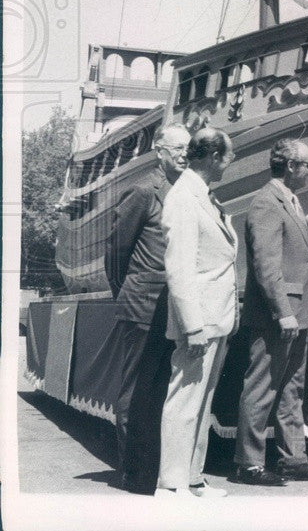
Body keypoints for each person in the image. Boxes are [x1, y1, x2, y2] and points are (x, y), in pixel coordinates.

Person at [233, 139, 308, 486]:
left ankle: (294, 460)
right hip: (280, 314)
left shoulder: (291, 201)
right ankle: (249, 463)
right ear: (290, 166)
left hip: (298, 312)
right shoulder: (266, 203)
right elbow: (265, 265)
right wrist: (282, 312)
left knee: (292, 388)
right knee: (262, 386)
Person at [105, 123, 191, 494]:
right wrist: (127, 292)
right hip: (142, 305)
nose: (185, 154)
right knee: (136, 391)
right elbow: (116, 252)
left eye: (189, 148)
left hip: (171, 309)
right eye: (178, 149)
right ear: (160, 151)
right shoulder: (143, 191)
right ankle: (132, 472)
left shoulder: (186, 192)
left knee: (159, 392)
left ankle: (152, 467)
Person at [155, 128, 238, 498]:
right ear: (211, 156)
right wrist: (192, 327)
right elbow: (180, 268)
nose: (230, 161)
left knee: (201, 405)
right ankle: (171, 485)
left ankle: (192, 479)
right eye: (227, 155)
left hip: (215, 317)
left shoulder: (201, 196)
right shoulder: (183, 198)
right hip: (200, 321)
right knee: (184, 403)